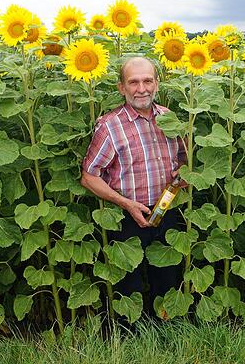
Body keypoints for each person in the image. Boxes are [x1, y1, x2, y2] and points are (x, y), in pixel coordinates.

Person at [80, 56, 187, 315]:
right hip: (126, 214)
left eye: (148, 81)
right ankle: (131, 339)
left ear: (157, 84)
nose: (142, 88)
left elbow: (183, 160)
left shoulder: (169, 119)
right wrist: (125, 203)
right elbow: (89, 176)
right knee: (130, 284)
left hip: (167, 208)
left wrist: (183, 173)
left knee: (168, 278)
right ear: (122, 88)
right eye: (134, 82)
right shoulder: (110, 126)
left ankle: (167, 332)